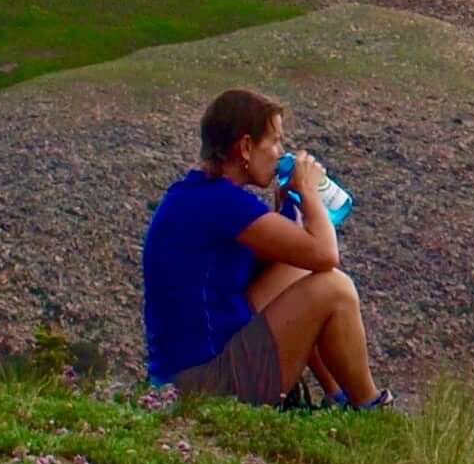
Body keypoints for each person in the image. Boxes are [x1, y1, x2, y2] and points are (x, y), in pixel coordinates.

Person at [140, 86, 390, 408]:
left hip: (182, 377)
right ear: (245, 147)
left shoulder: (195, 194)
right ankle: (369, 405)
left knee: (298, 271)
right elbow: (327, 254)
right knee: (335, 288)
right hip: (206, 384)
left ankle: (337, 396)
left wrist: (286, 206)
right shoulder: (222, 202)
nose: (280, 152)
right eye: (274, 141)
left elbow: (286, 258)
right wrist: (311, 192)